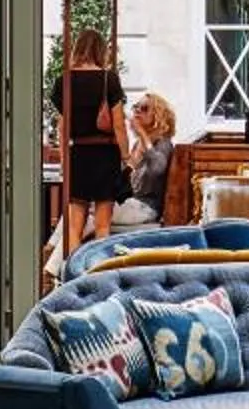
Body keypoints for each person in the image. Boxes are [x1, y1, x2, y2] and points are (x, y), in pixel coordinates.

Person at [57, 27, 129, 249]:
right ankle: (99, 274)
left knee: (74, 225)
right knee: (102, 226)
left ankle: (72, 275)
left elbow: (62, 127)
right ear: (101, 50)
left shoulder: (65, 81)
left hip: (78, 153)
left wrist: (63, 159)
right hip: (105, 155)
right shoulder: (109, 80)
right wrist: (126, 156)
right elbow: (118, 124)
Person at [116, 91, 176, 227]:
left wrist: (142, 133)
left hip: (147, 208)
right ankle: (59, 248)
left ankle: (64, 248)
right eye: (136, 106)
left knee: (87, 214)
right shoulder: (137, 145)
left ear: (157, 116)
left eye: (144, 108)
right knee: (77, 210)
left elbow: (157, 169)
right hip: (130, 203)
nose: (137, 110)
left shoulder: (163, 143)